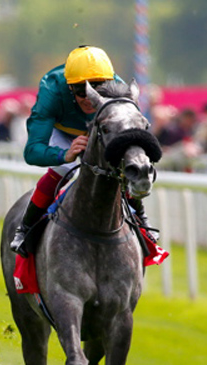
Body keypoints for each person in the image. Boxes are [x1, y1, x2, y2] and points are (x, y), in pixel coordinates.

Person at [9, 45, 155, 256]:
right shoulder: (52, 90)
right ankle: (25, 228)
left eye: (98, 87)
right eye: (81, 90)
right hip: (63, 133)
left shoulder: (120, 91)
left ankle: (141, 218)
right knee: (65, 167)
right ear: (69, 88)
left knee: (121, 165)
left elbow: (133, 136)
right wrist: (63, 154)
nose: (89, 96)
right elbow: (32, 151)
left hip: (102, 131)